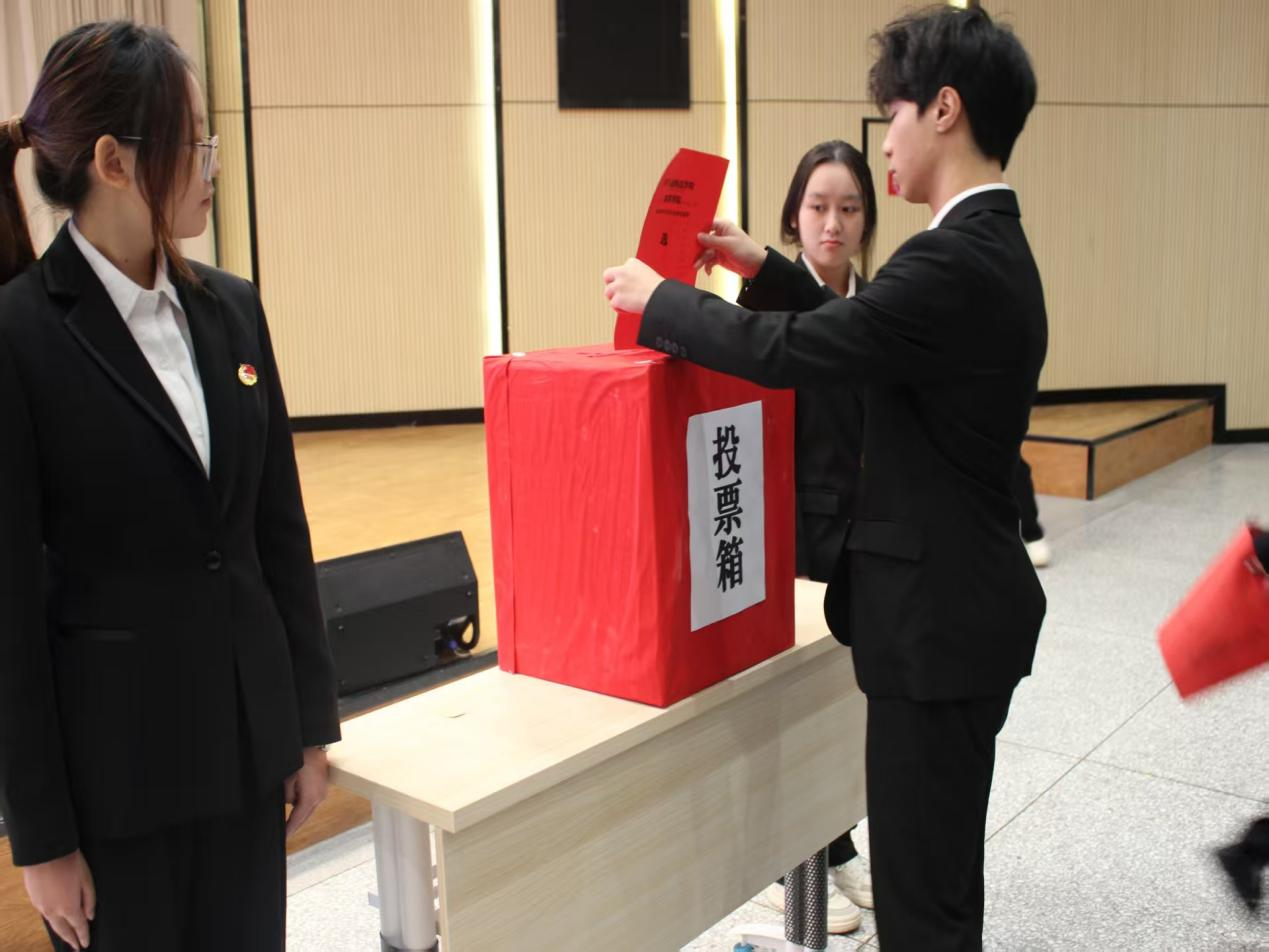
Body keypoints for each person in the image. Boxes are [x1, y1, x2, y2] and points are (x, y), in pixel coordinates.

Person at [603, 6, 1045, 950]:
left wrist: (663, 300)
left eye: (893, 114)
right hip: (960, 617)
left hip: (937, 632)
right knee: (936, 884)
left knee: (924, 911)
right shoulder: (983, 247)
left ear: (943, 110)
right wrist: (760, 265)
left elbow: (803, 350)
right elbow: (861, 336)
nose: (884, 140)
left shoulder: (952, 259)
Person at [0, 21, 339, 952]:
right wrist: (41, 837)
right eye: (192, 141)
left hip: (245, 758)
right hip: (115, 788)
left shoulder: (232, 309)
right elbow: (8, 613)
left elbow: (277, 533)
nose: (209, 162)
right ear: (113, 161)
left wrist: (307, 729)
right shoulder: (20, 335)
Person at [723, 139, 876, 934]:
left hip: (864, 533)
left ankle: (836, 844)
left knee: (844, 700)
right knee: (791, 702)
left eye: (848, 207)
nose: (832, 223)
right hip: (792, 533)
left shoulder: (880, 304)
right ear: (792, 216)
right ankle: (786, 862)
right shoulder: (767, 306)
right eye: (817, 206)